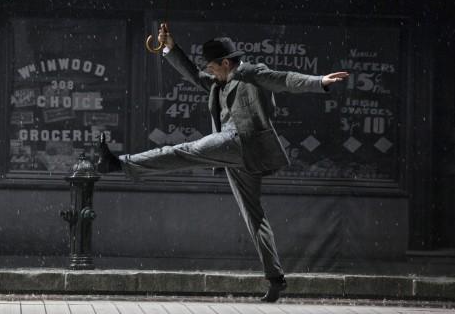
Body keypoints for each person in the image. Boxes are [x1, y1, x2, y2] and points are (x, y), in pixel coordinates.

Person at [97, 23, 349, 302]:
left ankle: (120, 164)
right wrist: (169, 46)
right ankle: (276, 278)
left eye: (212, 66)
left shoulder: (250, 74)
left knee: (184, 151)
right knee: (255, 216)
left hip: (239, 141)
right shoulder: (219, 81)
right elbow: (193, 74)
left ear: (226, 62)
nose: (209, 71)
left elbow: (284, 78)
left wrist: (320, 82)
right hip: (240, 156)